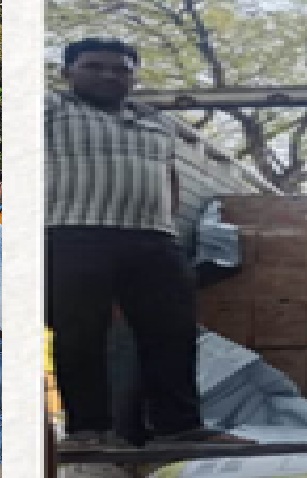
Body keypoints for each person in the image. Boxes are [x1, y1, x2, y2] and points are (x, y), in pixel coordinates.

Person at [45, 38, 246, 445]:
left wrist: (165, 220)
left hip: (154, 240)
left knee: (172, 334)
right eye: (93, 66)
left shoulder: (157, 121)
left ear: (133, 78)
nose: (109, 75)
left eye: (121, 69)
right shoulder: (49, 109)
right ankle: (88, 430)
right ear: (67, 73)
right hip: (74, 234)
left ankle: (180, 427)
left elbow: (168, 175)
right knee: (80, 334)